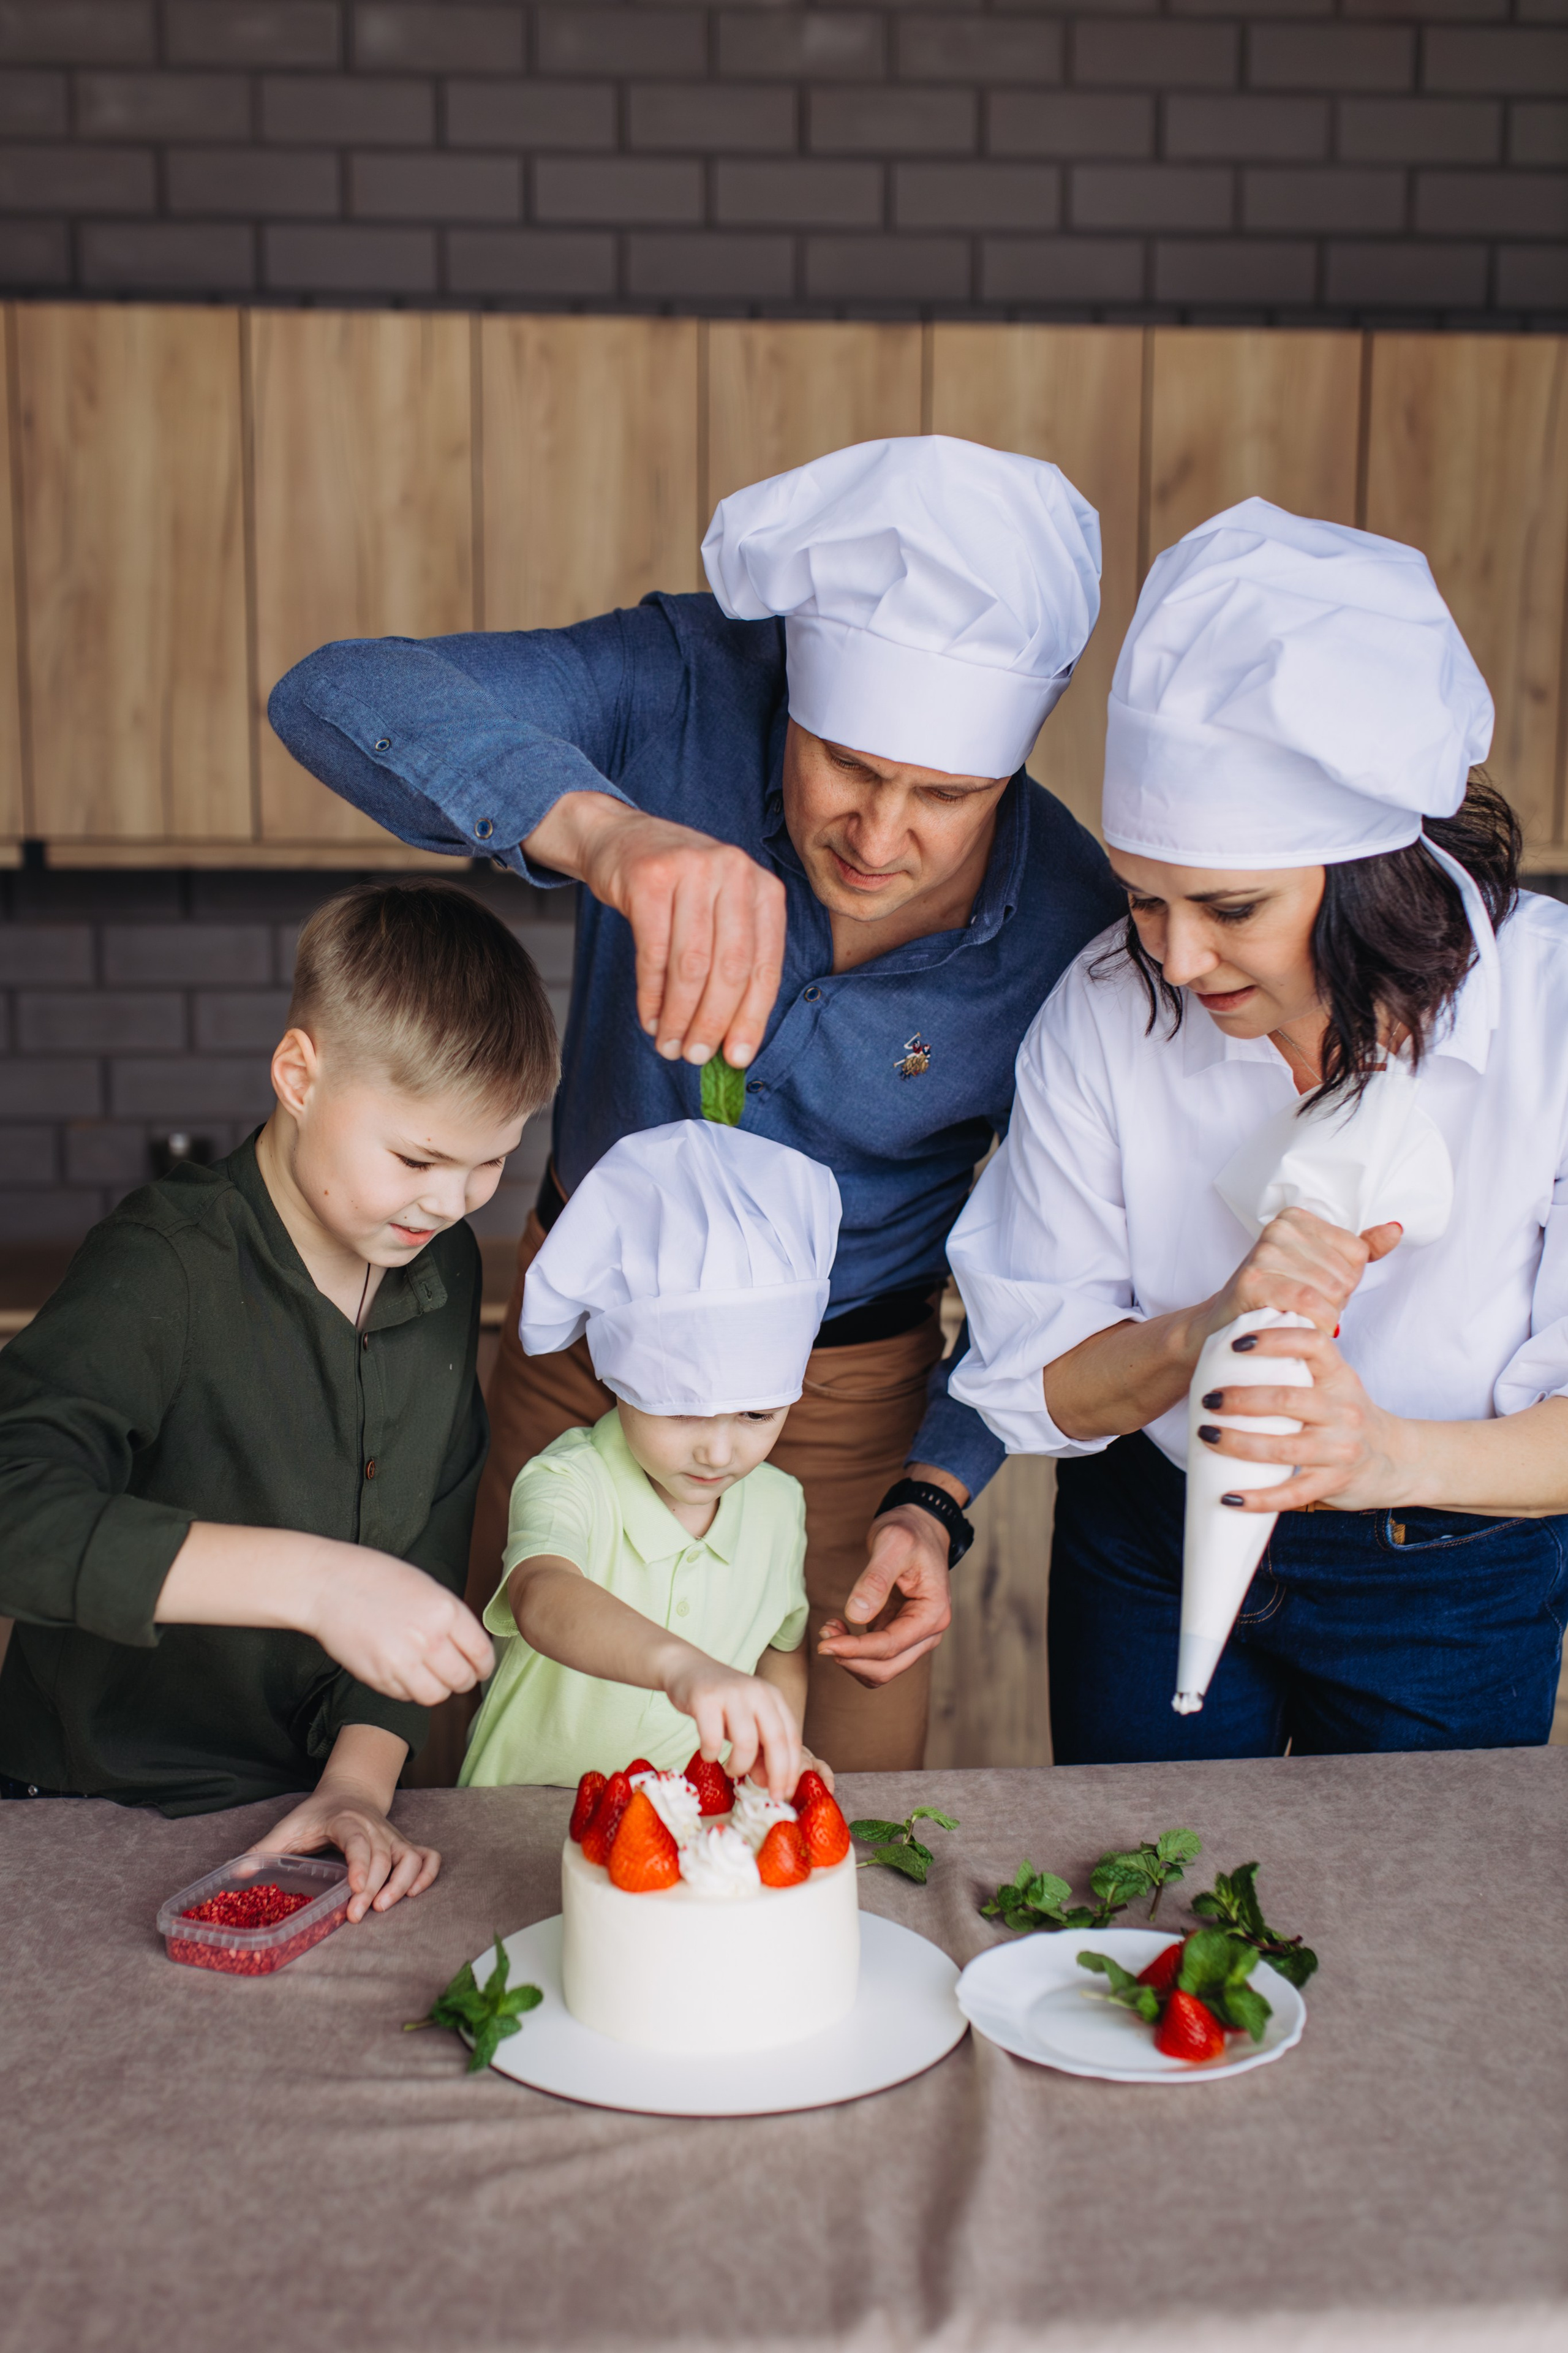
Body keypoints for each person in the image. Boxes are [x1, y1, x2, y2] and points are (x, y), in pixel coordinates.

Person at [268, 433, 1124, 1771]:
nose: (880, 835)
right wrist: (602, 830)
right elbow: (334, 693)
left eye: (945, 795)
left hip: (840, 1400)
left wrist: (933, 1494)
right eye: (843, 764)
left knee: (833, 1796)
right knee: (489, 1725)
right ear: (792, 697)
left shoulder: (1071, 931)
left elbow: (1064, 1260)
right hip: (584, 1343)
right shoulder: (685, 688)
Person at [948, 498, 1568, 1762]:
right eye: (1142, 900)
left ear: (1369, 874)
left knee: (1410, 1945)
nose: (1173, 959)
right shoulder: (1106, 1007)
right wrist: (1203, 1327)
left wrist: (1376, 1452)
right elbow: (1036, 1374)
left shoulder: (1549, 1019)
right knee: (1141, 1906)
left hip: (1451, 1569)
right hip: (1150, 1539)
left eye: (1228, 907)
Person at [0, 881, 557, 1915]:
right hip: (90, 1805)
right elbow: (16, 1511)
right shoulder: (161, 1267)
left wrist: (355, 1784)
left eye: (493, 1161)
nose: (451, 1202)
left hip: (301, 1803)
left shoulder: (438, 1266)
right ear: (300, 1075)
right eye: (417, 1158)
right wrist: (319, 1584)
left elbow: (426, 1537)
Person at [461, 1119, 839, 1799]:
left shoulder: (780, 1505)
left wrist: (775, 1757)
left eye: (758, 1414)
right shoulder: (567, 1480)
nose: (720, 1451)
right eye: (683, 1408)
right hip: (517, 1818)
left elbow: (784, 1649)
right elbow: (543, 1597)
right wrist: (681, 1667)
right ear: (618, 1377)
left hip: (682, 1830)